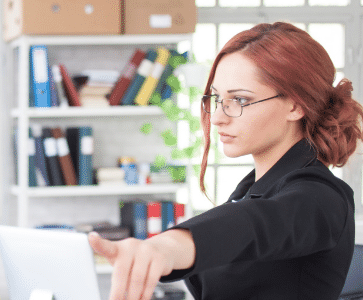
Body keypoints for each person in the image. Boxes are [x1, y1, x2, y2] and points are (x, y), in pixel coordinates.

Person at [89, 22, 360, 300]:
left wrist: (164, 248)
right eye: (217, 98)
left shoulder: (320, 198)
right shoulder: (249, 191)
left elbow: (253, 226)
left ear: (296, 106)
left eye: (240, 100)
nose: (218, 117)